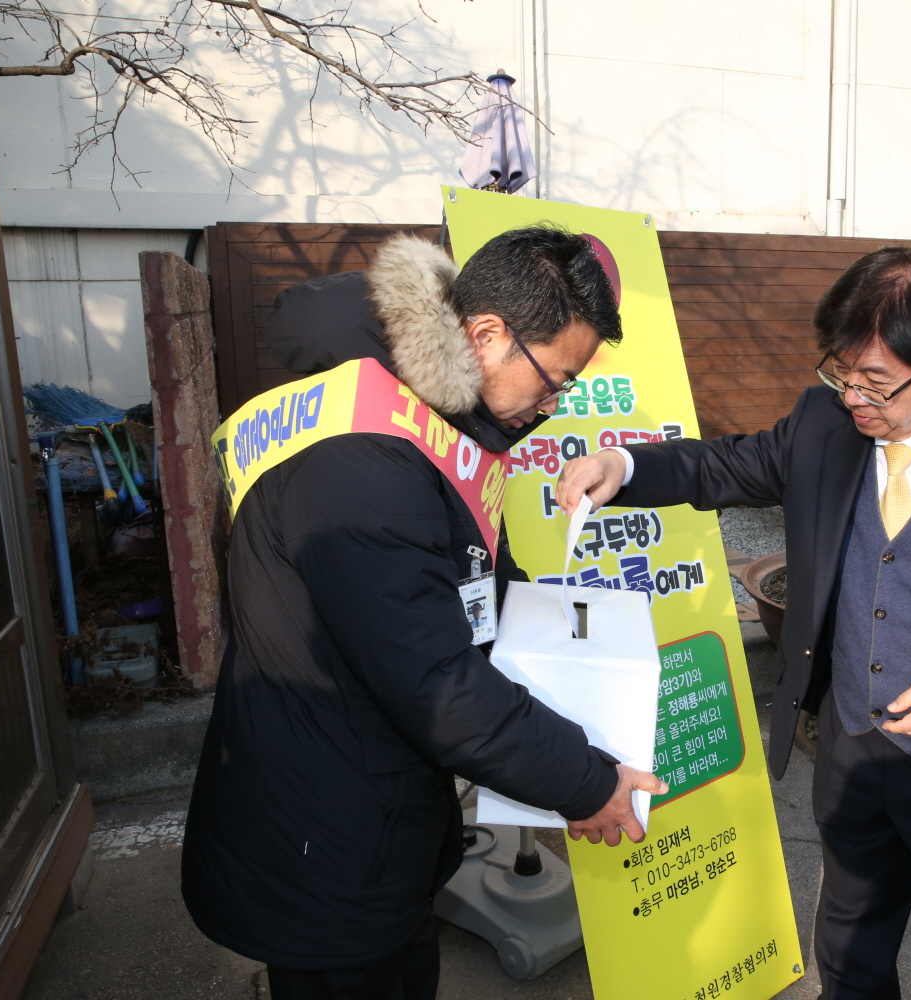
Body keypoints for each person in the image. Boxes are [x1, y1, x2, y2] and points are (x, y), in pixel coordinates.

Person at [557, 246, 911, 1000]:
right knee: (850, 949)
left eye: (875, 381)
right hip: (850, 747)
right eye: (840, 372)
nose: (853, 396)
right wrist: (624, 468)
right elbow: (724, 467)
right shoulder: (823, 424)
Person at [182, 227, 665, 1000]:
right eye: (555, 380)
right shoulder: (362, 462)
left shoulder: (415, 419)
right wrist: (584, 780)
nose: (555, 403)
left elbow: (474, 590)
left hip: (376, 813)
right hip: (322, 839)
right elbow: (434, 680)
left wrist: (581, 643)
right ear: (486, 334)